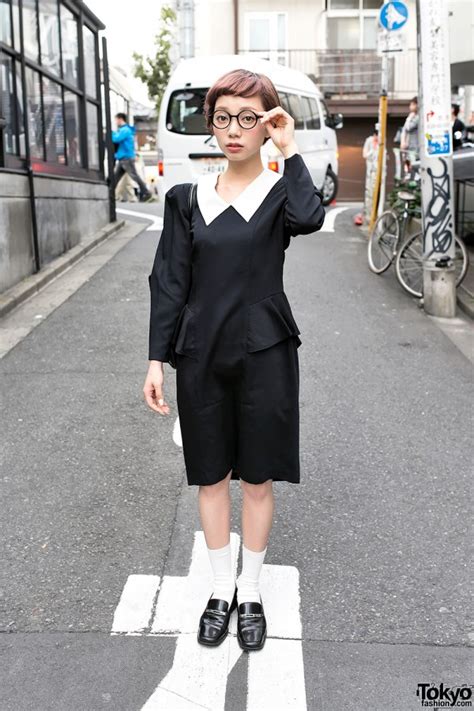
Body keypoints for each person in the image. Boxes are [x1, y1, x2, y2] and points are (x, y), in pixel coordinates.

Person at [143, 69, 325, 652]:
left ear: (267, 123)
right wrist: (156, 359)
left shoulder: (278, 194)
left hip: (265, 351)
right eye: (223, 117)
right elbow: (169, 282)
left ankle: (252, 591)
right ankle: (221, 591)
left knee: (258, 476)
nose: (234, 129)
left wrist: (289, 147)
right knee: (211, 475)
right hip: (201, 353)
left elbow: (311, 216)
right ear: (210, 123)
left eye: (250, 117)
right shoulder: (186, 198)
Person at [112, 113, 153, 203]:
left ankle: (146, 192)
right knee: (116, 177)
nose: (116, 122)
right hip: (123, 157)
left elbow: (116, 139)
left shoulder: (125, 130)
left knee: (134, 176)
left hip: (126, 157)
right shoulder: (125, 130)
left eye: (116, 119)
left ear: (120, 119)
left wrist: (111, 133)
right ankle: (109, 194)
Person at [400, 96, 419, 173]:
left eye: (411, 104)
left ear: (416, 105)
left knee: (413, 167)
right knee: (408, 166)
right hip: (409, 146)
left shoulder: (417, 117)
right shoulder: (413, 116)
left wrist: (409, 118)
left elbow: (408, 127)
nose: (410, 107)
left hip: (414, 147)